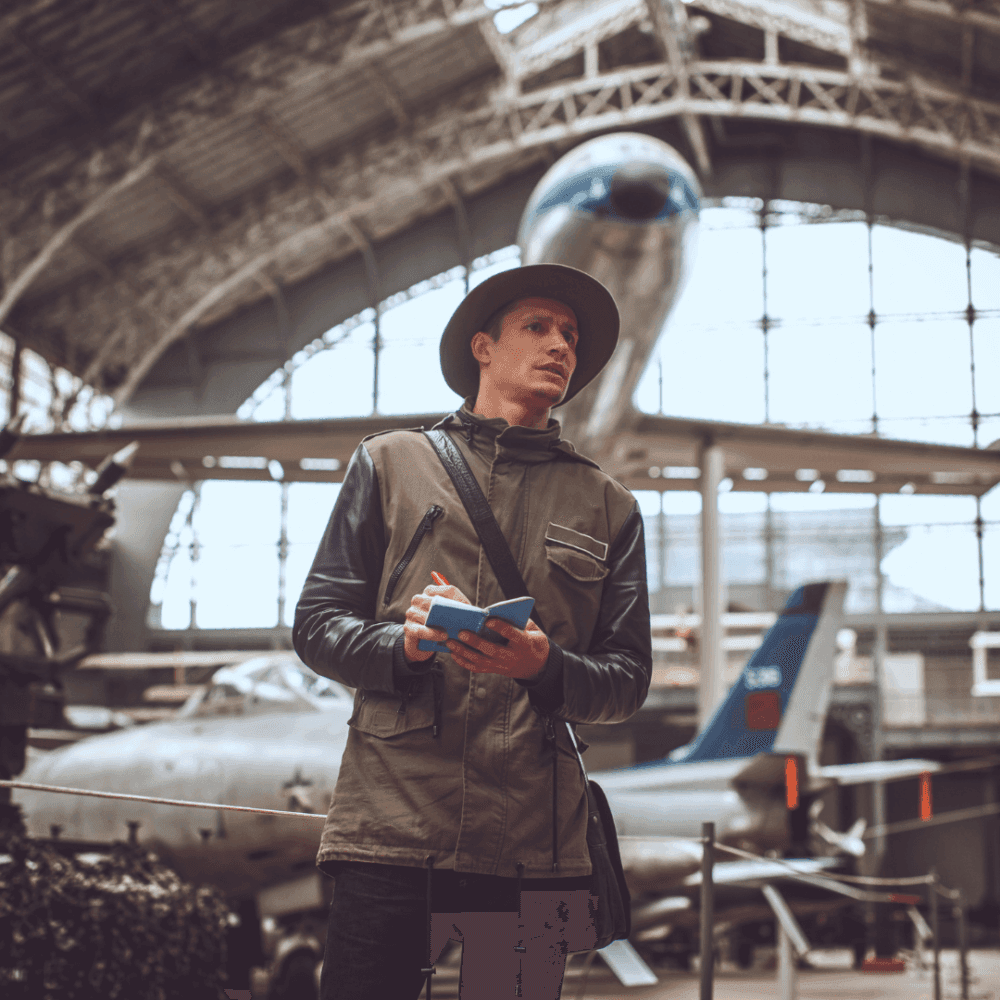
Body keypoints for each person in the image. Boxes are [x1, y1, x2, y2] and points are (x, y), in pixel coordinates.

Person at [293, 262, 652, 999]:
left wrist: (545, 666)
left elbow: (627, 679)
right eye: (538, 327)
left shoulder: (609, 506)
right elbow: (316, 625)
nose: (560, 346)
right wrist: (403, 645)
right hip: (393, 828)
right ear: (482, 347)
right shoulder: (390, 464)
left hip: (536, 842)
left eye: (571, 335)